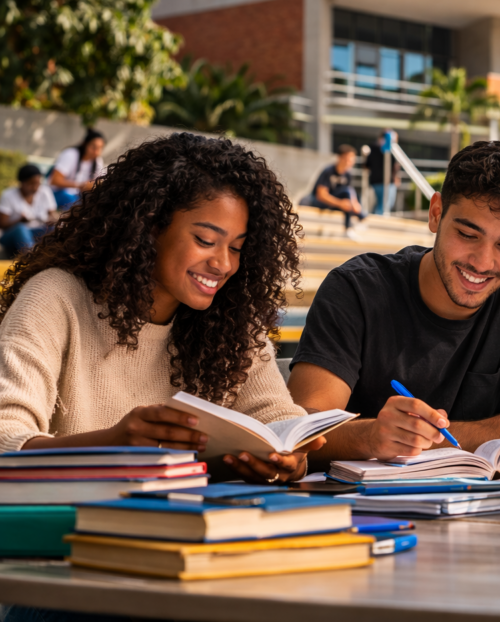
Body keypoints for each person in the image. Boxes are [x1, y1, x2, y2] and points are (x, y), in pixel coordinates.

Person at [0, 132, 322, 484]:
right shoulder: (55, 296)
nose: (223, 264)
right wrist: (109, 447)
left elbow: (275, 416)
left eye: (236, 248)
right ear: (149, 226)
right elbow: (6, 438)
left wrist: (292, 459)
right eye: (205, 240)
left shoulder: (231, 321)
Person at [288, 140, 500, 462]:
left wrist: (431, 441)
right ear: (436, 213)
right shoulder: (356, 289)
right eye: (468, 235)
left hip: (481, 501)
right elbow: (302, 431)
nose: (483, 263)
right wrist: (371, 437)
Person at [0, 164, 58, 257]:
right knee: (21, 228)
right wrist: (19, 220)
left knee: (55, 228)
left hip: (36, 231)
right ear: (22, 182)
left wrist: (52, 220)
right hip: (11, 235)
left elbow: (52, 214)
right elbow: (2, 224)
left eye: (38, 183)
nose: (35, 187)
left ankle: (55, 257)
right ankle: (30, 259)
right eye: (31, 184)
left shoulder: (45, 191)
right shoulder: (8, 195)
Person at [307, 144, 366, 230]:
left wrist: (354, 203)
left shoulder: (348, 174)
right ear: (341, 158)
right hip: (319, 202)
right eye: (349, 159)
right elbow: (321, 195)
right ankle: (355, 221)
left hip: (336, 201)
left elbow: (350, 192)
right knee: (347, 193)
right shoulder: (329, 171)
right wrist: (340, 203)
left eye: (352, 159)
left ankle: (356, 220)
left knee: (353, 195)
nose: (351, 162)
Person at [50, 128, 106, 209]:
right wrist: (80, 185)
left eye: (100, 148)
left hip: (79, 196)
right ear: (84, 144)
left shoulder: (98, 161)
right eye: (93, 147)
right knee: (77, 205)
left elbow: (98, 182)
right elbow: (55, 180)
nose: (96, 151)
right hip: (58, 193)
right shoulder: (70, 154)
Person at [366, 131, 399, 215]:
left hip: (375, 180)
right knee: (385, 205)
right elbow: (395, 166)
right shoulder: (390, 150)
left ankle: (373, 217)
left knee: (381, 204)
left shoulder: (373, 149)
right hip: (385, 181)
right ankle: (377, 221)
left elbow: (367, 165)